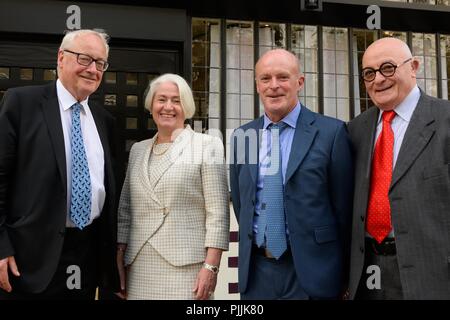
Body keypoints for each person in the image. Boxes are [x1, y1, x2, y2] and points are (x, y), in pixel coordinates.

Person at [0, 29, 119, 299]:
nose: (93, 69)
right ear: (61, 57)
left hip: (87, 252)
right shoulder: (22, 103)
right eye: (85, 59)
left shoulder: (104, 120)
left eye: (100, 63)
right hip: (29, 257)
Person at [229, 48, 353, 300]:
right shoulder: (243, 137)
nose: (274, 86)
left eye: (283, 77)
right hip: (256, 274)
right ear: (257, 85)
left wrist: (344, 277)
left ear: (300, 82)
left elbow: (344, 211)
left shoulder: (332, 133)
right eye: (265, 78)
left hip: (312, 274)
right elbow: (242, 204)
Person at [347, 37, 450, 300]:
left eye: (388, 68)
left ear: (414, 66)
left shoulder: (445, 120)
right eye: (369, 73)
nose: (378, 79)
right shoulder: (355, 130)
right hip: (369, 271)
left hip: (434, 273)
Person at [116, 73, 229, 300]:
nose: (168, 107)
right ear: (151, 105)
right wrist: (119, 256)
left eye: (176, 101)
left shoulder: (207, 145)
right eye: (162, 99)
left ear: (186, 106)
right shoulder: (138, 150)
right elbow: (126, 209)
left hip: (187, 269)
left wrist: (211, 268)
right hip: (139, 266)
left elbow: (218, 213)